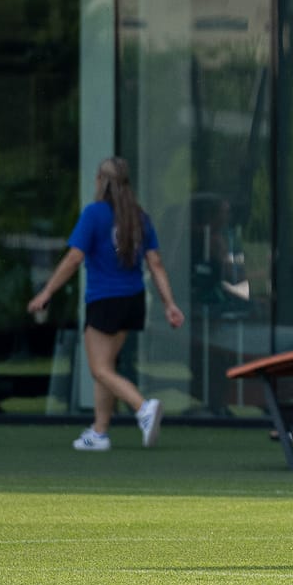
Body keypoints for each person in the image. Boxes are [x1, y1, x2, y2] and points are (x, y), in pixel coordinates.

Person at [26, 156, 185, 452]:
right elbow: (156, 263)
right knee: (106, 367)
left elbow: (74, 257)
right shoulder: (140, 217)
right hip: (132, 301)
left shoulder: (94, 213)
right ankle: (99, 432)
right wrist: (169, 303)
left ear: (101, 181)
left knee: (99, 369)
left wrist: (46, 292)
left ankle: (143, 407)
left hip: (104, 301)